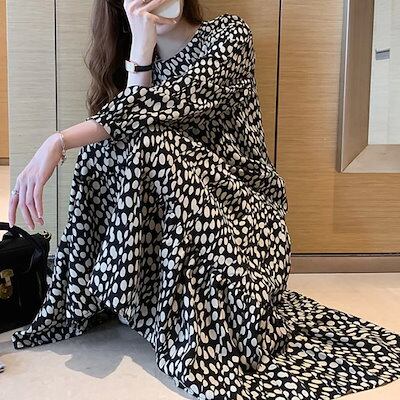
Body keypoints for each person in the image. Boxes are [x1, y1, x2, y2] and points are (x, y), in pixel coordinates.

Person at [8, 0, 400, 399]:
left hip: (243, 217)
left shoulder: (228, 36)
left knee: (145, 137)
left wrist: (58, 141)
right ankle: (106, 294)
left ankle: (126, 291)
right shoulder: (139, 64)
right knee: (106, 146)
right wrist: (141, 53)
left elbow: (151, 109)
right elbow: (128, 119)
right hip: (183, 216)